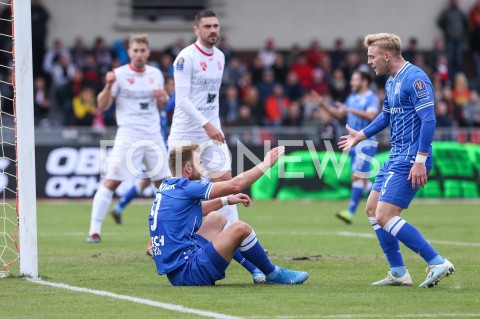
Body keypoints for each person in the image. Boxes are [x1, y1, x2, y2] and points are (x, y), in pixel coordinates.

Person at [338, 33, 455, 288]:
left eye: (372, 56)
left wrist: (420, 160)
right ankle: (399, 272)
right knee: (372, 209)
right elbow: (386, 115)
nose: (369, 62)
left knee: (385, 215)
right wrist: (361, 134)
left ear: (387, 55)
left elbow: (429, 120)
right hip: (396, 156)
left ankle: (436, 262)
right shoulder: (391, 82)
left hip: (411, 157)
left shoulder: (416, 78)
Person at [168, 9, 268, 283]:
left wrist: (214, 126)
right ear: (196, 29)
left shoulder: (221, 57)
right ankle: (162, 240)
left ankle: (240, 243)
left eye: (216, 26)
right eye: (208, 26)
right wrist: (207, 125)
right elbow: (184, 100)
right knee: (178, 194)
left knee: (227, 183)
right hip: (186, 133)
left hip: (212, 132)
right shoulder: (185, 58)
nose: (214, 30)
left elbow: (210, 99)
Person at [149, 144, 309, 286]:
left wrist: (226, 200)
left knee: (215, 218)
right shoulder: (187, 187)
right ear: (188, 169)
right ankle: (274, 273)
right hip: (190, 271)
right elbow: (236, 184)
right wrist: (266, 163)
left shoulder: (167, 187)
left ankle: (255, 269)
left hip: (176, 273)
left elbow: (192, 210)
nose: (203, 169)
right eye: (199, 163)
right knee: (240, 228)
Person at [86, 34, 170, 243]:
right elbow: (102, 105)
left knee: (167, 186)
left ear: (148, 52)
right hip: (128, 135)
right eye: (136, 50)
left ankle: (170, 232)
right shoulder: (118, 74)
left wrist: (163, 99)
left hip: (152, 135)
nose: (139, 54)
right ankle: (94, 230)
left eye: (143, 50)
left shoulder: (156, 74)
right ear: (129, 52)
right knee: (111, 182)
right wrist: (107, 86)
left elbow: (161, 106)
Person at [312, 70, 379, 224]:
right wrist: (322, 104)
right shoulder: (352, 97)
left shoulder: (371, 97)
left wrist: (349, 110)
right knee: (359, 180)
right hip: (353, 143)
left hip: (366, 142)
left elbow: (371, 116)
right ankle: (380, 194)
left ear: (364, 82)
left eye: (355, 80)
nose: (351, 83)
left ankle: (350, 212)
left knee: (357, 177)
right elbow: (339, 114)